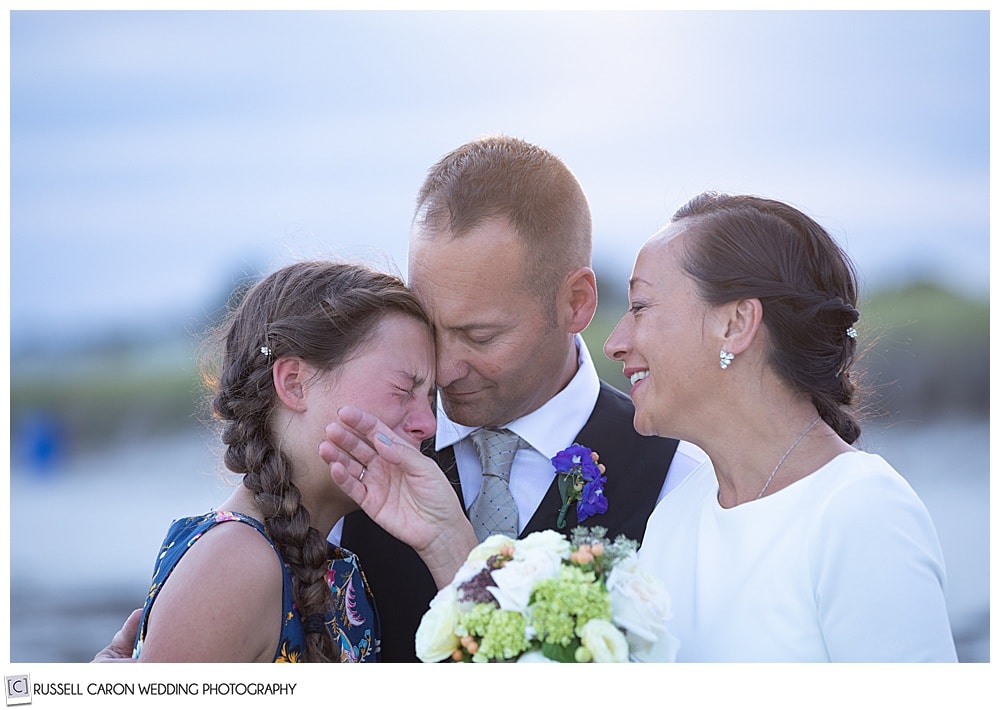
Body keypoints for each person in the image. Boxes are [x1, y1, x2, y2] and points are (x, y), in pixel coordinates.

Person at [320, 191, 957, 662]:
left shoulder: (860, 510)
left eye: (644, 307)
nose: (618, 341)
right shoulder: (678, 516)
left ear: (734, 324)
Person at [333, 135, 703, 661]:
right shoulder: (357, 456)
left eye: (480, 336)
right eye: (428, 327)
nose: (444, 367)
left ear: (576, 304)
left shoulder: (682, 481)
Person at [122, 260, 442, 662]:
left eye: (431, 398)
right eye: (402, 389)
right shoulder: (232, 564)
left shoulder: (331, 563)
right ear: (294, 383)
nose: (428, 424)